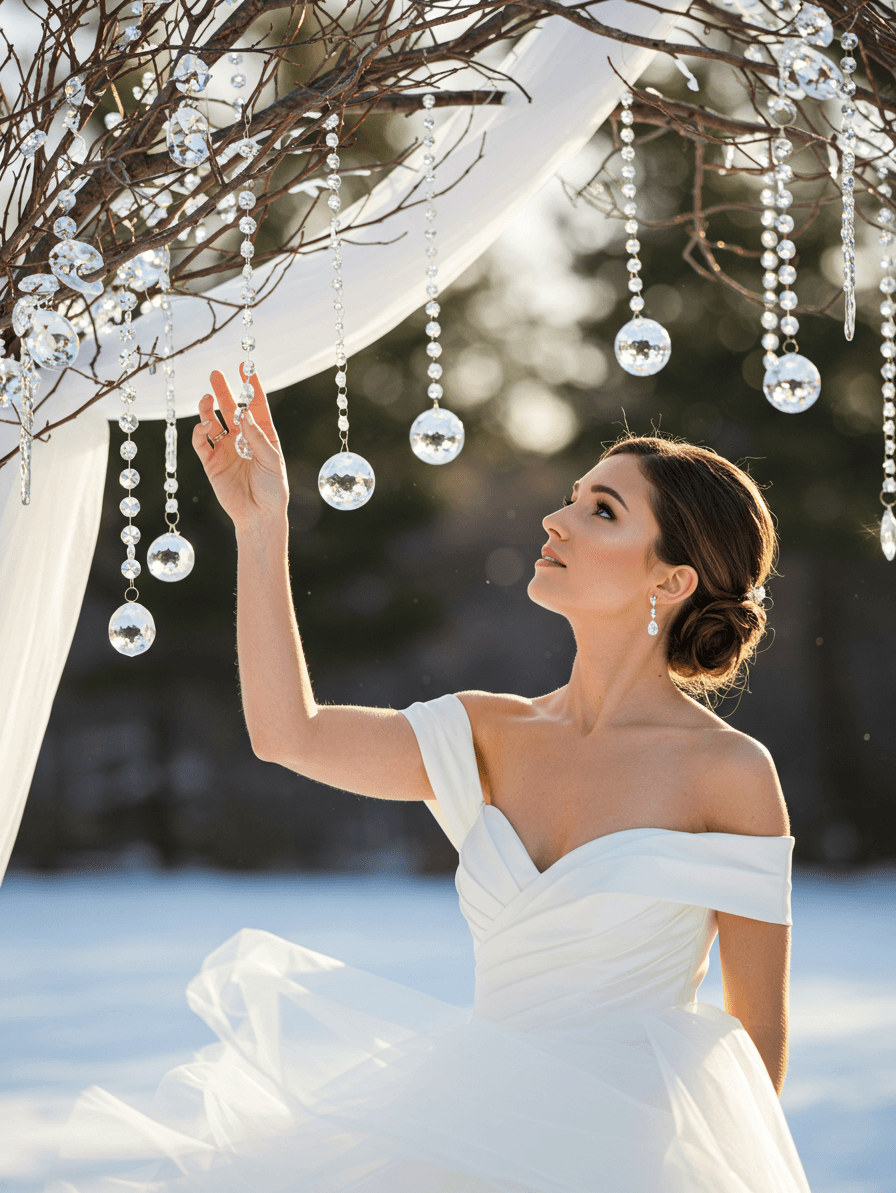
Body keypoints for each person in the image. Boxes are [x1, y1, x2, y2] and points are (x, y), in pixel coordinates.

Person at [58, 367, 812, 1192]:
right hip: (465, 1137)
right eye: (572, 496)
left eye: (602, 511)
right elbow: (288, 735)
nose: (556, 519)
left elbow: (757, 1030)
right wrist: (259, 523)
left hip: (638, 1157)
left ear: (670, 581)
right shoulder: (486, 731)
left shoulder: (730, 773)